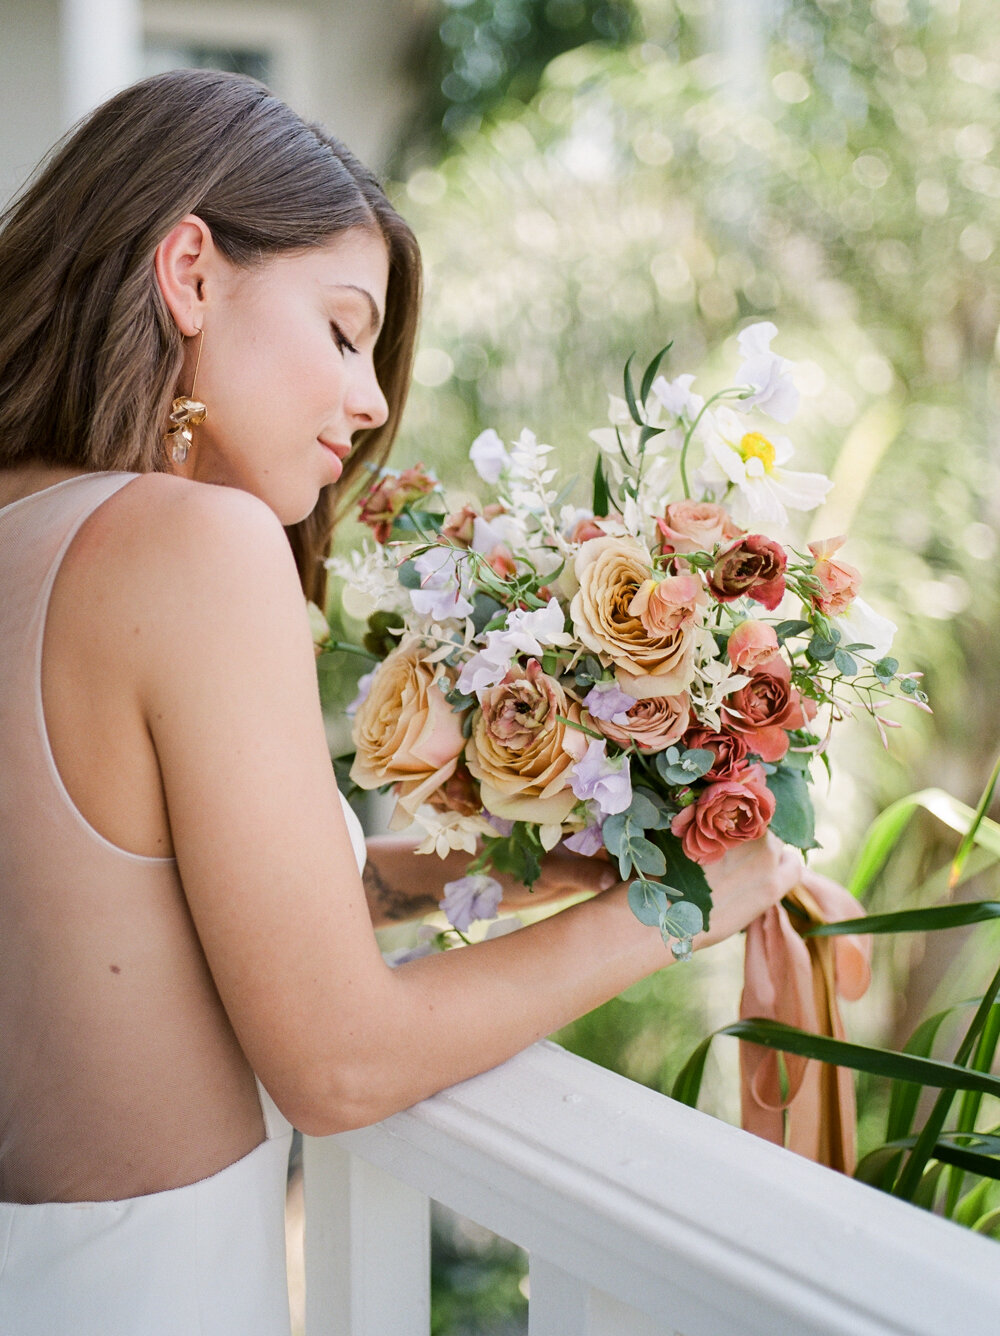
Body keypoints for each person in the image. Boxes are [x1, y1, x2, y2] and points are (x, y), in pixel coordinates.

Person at [0, 69, 801, 1335]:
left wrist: (516, 867)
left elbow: (140, 914)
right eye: (340, 328)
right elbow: (340, 1062)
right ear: (193, 271)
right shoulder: (192, 547)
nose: (371, 401)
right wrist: (689, 902)